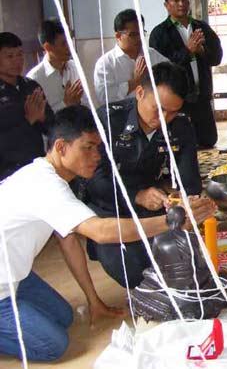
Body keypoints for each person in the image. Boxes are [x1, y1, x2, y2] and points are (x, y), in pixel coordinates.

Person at [0, 105, 215, 362]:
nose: (97, 156)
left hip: (17, 277)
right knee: (53, 345)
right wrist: (174, 222)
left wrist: (94, 300)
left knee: (64, 317)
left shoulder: (50, 177)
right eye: (87, 147)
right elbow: (101, 232)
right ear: (60, 147)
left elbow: (69, 242)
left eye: (97, 147)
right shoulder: (45, 184)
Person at [85, 62, 203, 288]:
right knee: (133, 271)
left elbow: (190, 180)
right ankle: (99, 247)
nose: (164, 118)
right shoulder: (107, 120)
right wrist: (136, 195)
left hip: (154, 204)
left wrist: (181, 197)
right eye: (158, 109)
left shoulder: (181, 125)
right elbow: (93, 181)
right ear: (140, 93)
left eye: (173, 111)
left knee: (187, 260)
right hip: (111, 206)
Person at [150, 0, 223, 149]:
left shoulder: (201, 27)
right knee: (182, 145)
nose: (181, 4)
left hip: (202, 97)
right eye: (176, 0)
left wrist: (201, 52)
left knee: (208, 141)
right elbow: (161, 69)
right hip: (178, 100)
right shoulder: (160, 33)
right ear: (166, 5)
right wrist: (188, 51)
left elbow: (217, 58)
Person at [0, 32, 54, 180]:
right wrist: (28, 121)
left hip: (35, 165)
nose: (17, 61)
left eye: (19, 55)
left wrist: (43, 118)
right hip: (7, 172)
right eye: (9, 56)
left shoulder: (30, 86)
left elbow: (52, 127)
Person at [94, 9, 168, 105]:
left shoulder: (152, 54)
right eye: (133, 34)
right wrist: (134, 82)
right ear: (118, 36)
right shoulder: (105, 63)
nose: (139, 38)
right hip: (121, 116)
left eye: (142, 33)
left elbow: (171, 76)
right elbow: (105, 98)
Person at [27, 19, 85, 112]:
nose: (69, 47)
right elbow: (37, 119)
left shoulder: (75, 67)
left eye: (70, 41)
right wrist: (65, 104)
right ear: (47, 47)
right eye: (64, 43)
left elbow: (86, 103)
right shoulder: (34, 79)